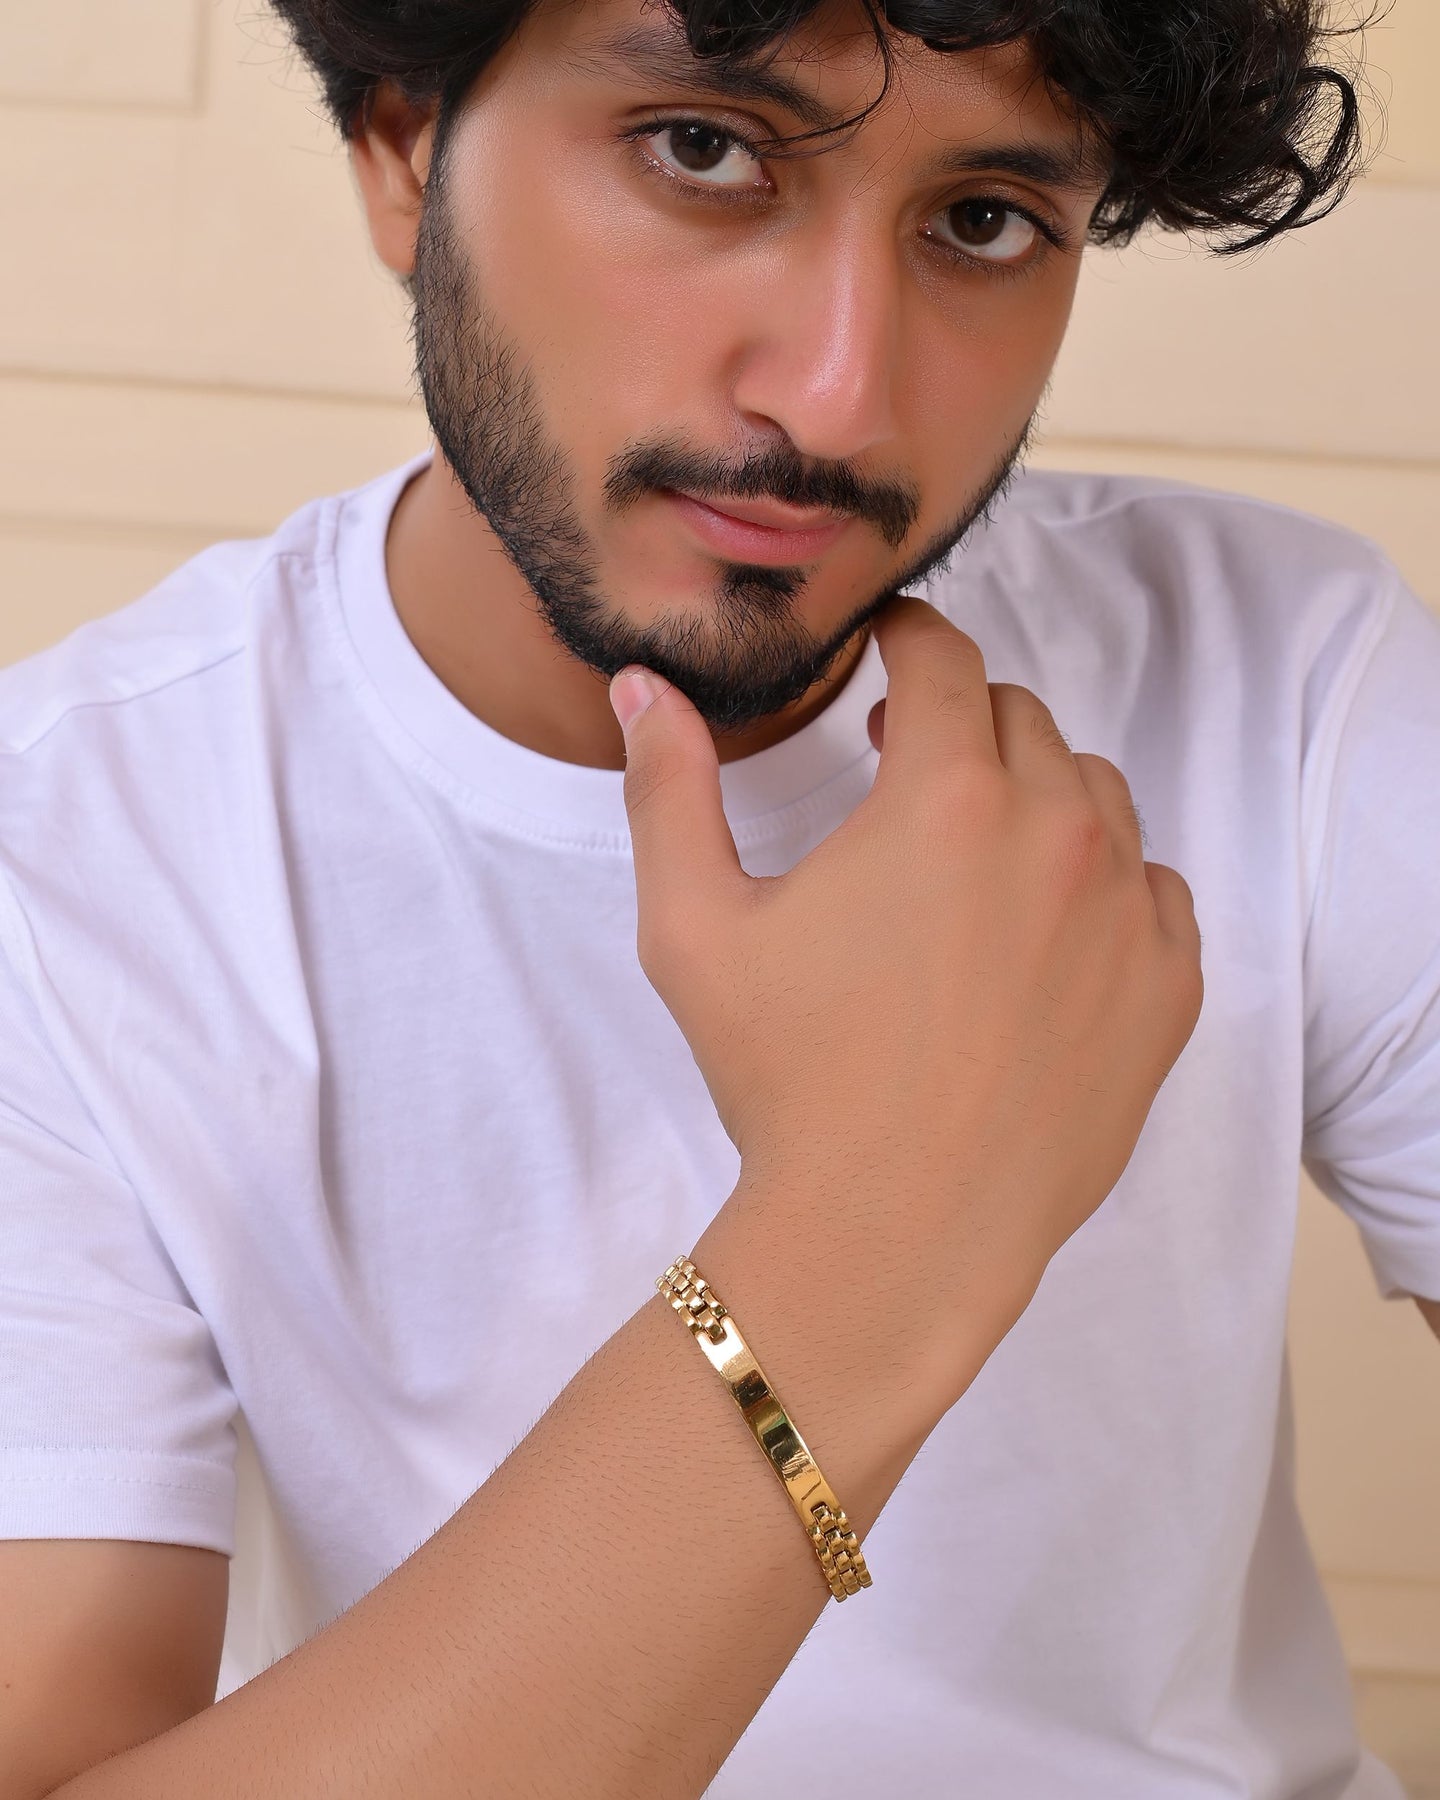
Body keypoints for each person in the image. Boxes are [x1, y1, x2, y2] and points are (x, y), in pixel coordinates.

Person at [1, 0, 1436, 1794]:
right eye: (705, 151)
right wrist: (871, 1234)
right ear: (404, 145)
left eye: (984, 218)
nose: (836, 394)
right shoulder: (69, 857)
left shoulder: (1287, 677)